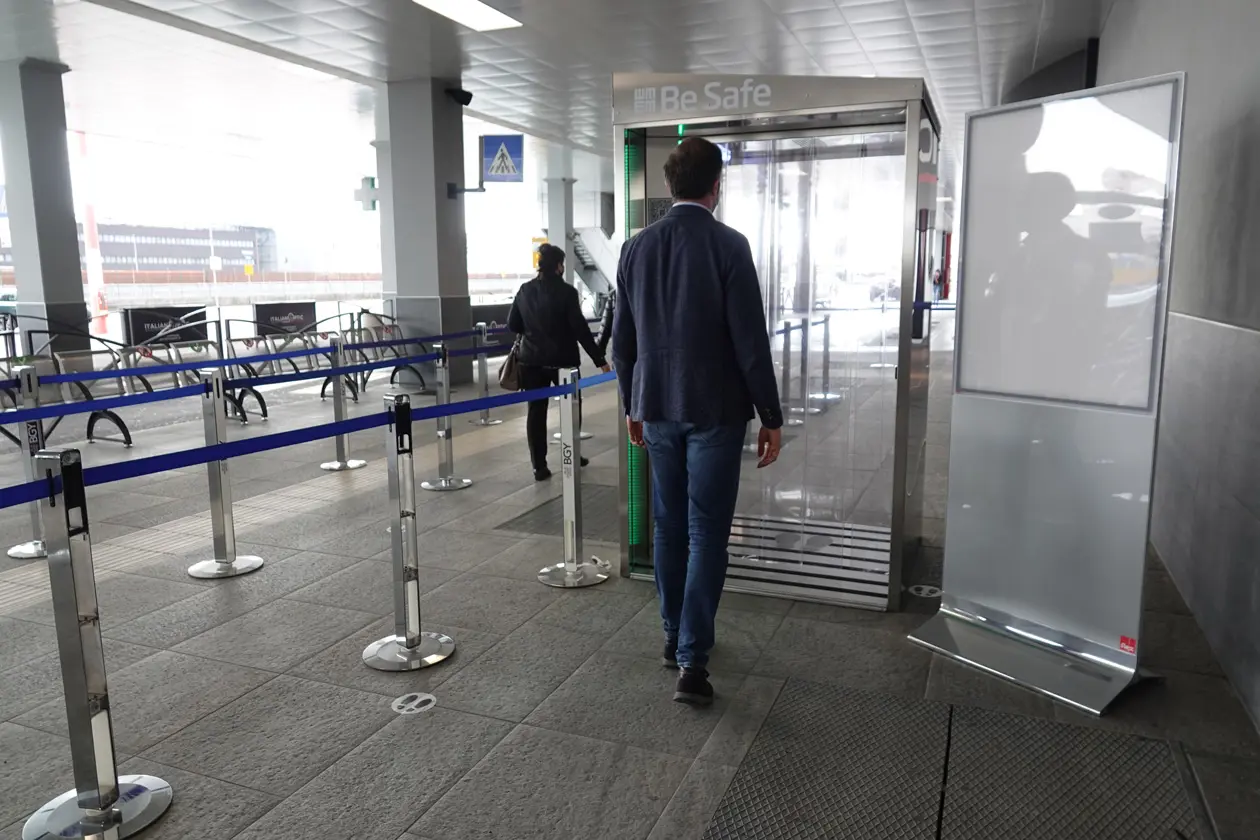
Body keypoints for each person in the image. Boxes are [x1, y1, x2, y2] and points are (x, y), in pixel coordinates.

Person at [612, 136, 783, 707]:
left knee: (669, 525)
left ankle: (671, 637)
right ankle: (692, 660)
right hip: (716, 411)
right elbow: (750, 342)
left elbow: (623, 342)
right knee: (707, 530)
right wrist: (771, 415)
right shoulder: (729, 246)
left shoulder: (635, 249)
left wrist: (632, 404)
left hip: (657, 406)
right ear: (717, 185)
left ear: (670, 184)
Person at [507, 243, 609, 481]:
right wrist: (599, 360)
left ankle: (539, 466)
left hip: (531, 362)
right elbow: (581, 330)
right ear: (558, 266)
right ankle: (572, 454)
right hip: (564, 362)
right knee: (571, 409)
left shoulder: (524, 290)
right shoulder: (567, 293)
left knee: (536, 412)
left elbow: (513, 324)